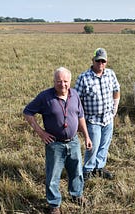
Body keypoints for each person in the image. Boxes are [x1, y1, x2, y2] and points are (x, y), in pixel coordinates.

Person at [23, 67, 92, 214]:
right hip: (55, 144)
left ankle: (76, 195)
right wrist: (41, 132)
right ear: (54, 81)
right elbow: (27, 112)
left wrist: (86, 136)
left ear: (70, 81)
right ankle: (54, 204)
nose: (63, 84)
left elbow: (80, 116)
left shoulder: (75, 95)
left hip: (73, 141)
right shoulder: (45, 97)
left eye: (66, 81)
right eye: (59, 81)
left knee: (76, 171)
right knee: (53, 174)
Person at [74, 48, 120, 181]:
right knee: (92, 146)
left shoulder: (110, 74)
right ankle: (88, 170)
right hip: (92, 119)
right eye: (98, 60)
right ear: (92, 60)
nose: (100, 63)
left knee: (104, 145)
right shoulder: (83, 78)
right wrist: (78, 119)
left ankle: (99, 168)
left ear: (106, 62)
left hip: (108, 118)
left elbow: (117, 89)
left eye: (103, 61)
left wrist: (115, 107)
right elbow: (76, 100)